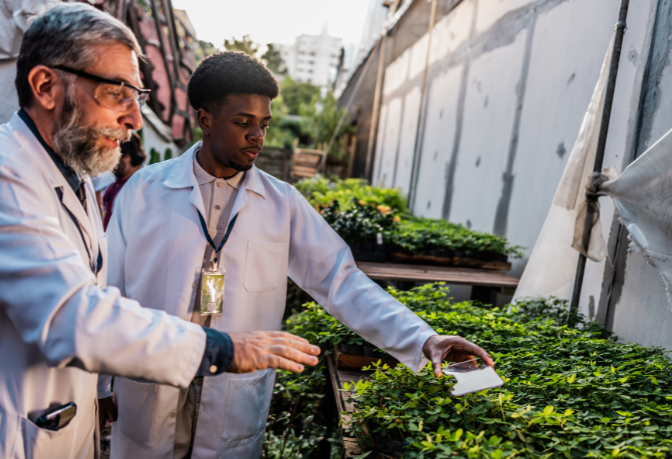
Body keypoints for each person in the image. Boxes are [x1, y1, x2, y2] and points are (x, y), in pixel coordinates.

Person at [0, 7, 319, 459]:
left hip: (51, 416)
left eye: (137, 96)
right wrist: (221, 348)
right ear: (45, 87)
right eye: (117, 93)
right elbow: (71, 315)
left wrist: (98, 391)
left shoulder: (73, 177)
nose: (135, 119)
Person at [102, 51, 494, 459]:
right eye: (243, 123)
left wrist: (423, 338)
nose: (258, 135)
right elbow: (108, 290)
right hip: (153, 379)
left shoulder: (282, 204)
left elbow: (341, 281)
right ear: (204, 119)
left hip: (234, 390)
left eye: (264, 124)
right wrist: (98, 386)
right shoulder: (145, 191)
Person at [102, 135, 146, 227]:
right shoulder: (115, 181)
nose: (109, 162)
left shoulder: (144, 185)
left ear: (126, 157)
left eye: (112, 157)